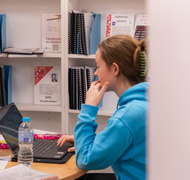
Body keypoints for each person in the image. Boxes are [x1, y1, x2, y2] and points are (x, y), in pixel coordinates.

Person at [57, 35, 148, 180]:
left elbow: (85, 160)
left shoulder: (128, 116)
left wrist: (89, 107)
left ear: (115, 69)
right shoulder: (148, 100)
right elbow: (128, 139)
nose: (95, 73)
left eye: (98, 66)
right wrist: (86, 141)